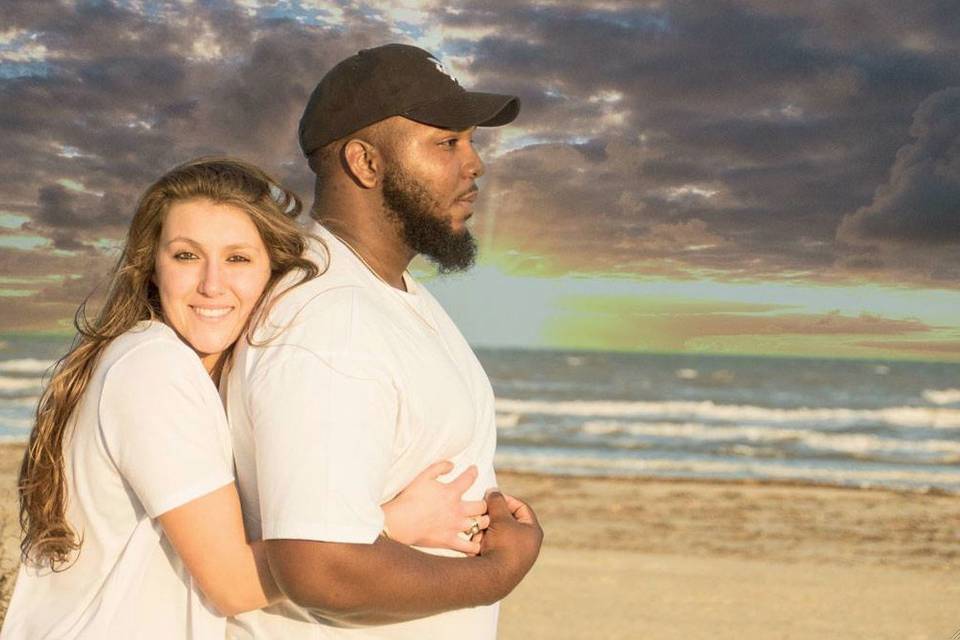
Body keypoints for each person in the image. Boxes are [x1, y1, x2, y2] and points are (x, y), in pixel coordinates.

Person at [2, 158, 495, 639]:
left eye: (237, 258)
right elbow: (234, 584)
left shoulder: (187, 373)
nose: (212, 284)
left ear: (271, 271)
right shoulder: (152, 367)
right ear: (152, 267)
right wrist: (395, 523)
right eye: (186, 256)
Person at [225, 44, 542, 639]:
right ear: (364, 163)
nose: (474, 165)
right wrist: (500, 571)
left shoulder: (389, 294)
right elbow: (324, 569)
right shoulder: (329, 320)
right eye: (446, 143)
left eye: (471, 142)